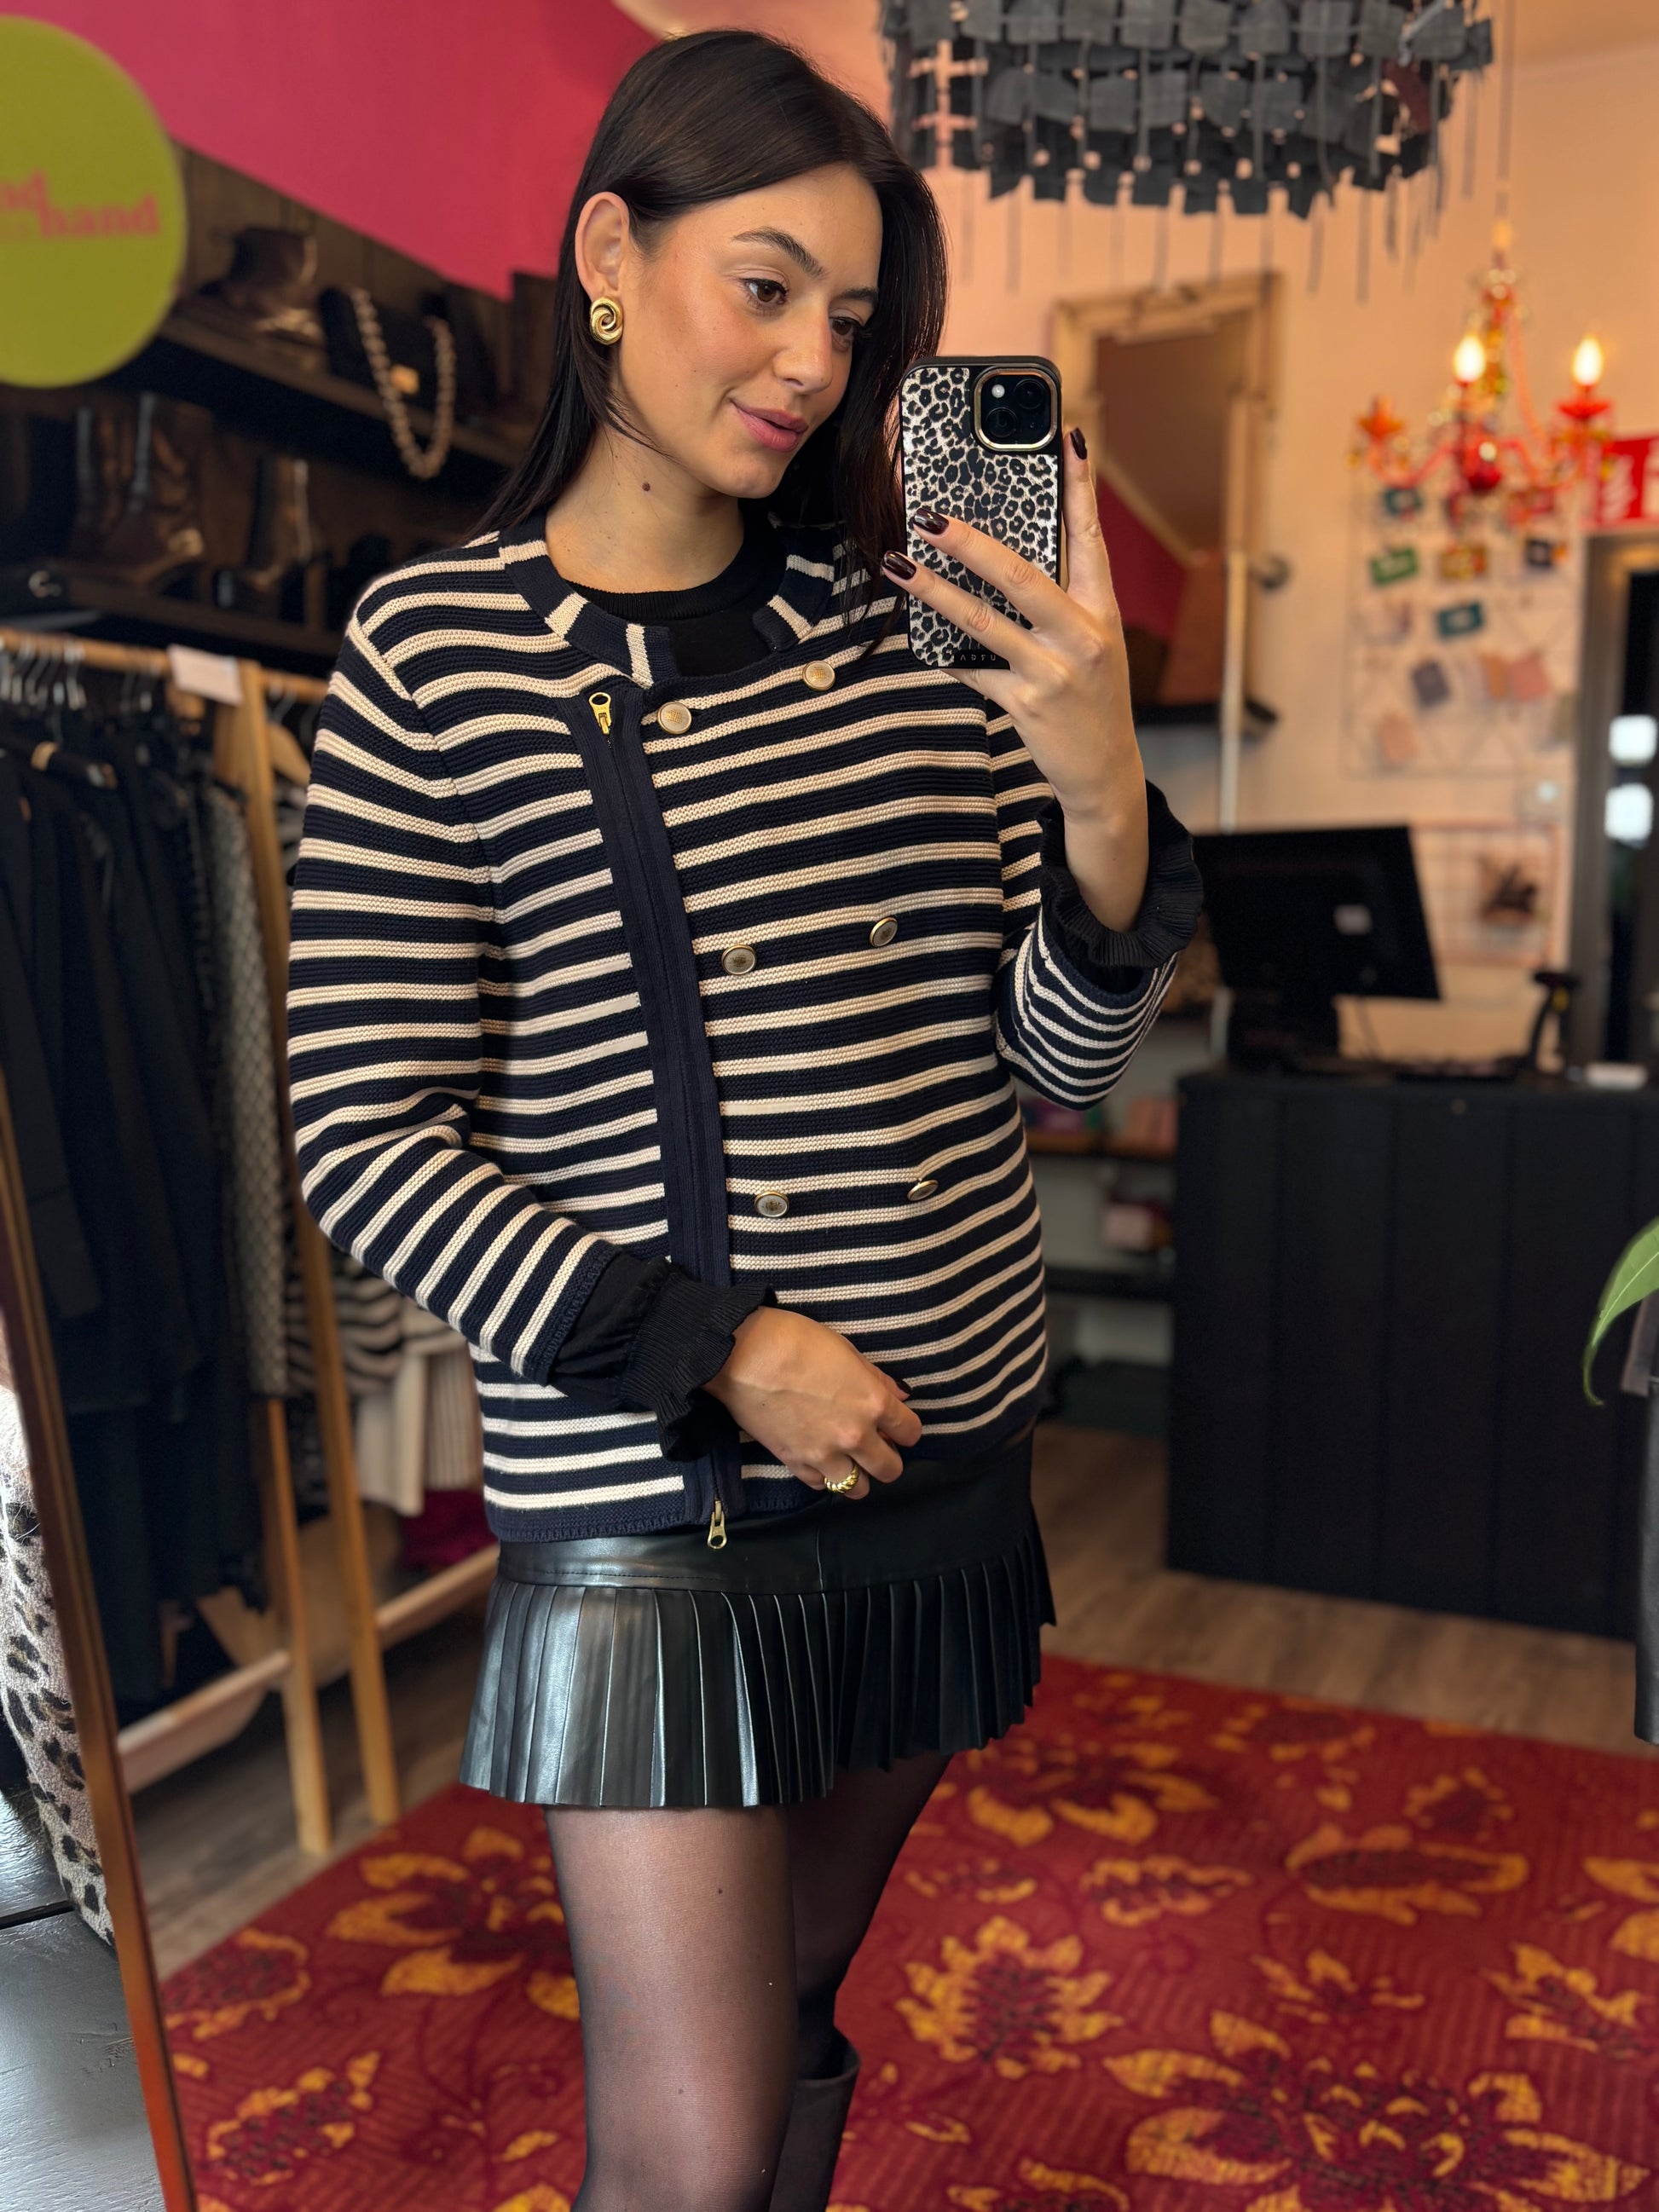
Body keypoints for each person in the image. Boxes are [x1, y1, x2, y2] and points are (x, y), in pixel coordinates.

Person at [288, 29, 1199, 2212]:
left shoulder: (921, 636)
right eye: (763, 286)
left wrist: (1100, 784)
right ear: (612, 254)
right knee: (683, 2142)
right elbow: (363, 1133)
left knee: (787, 2007)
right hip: (657, 1482)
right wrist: (726, 1346)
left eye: (853, 319)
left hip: (937, 1457)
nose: (809, 363)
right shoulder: (438, 649)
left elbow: (1058, 1067)